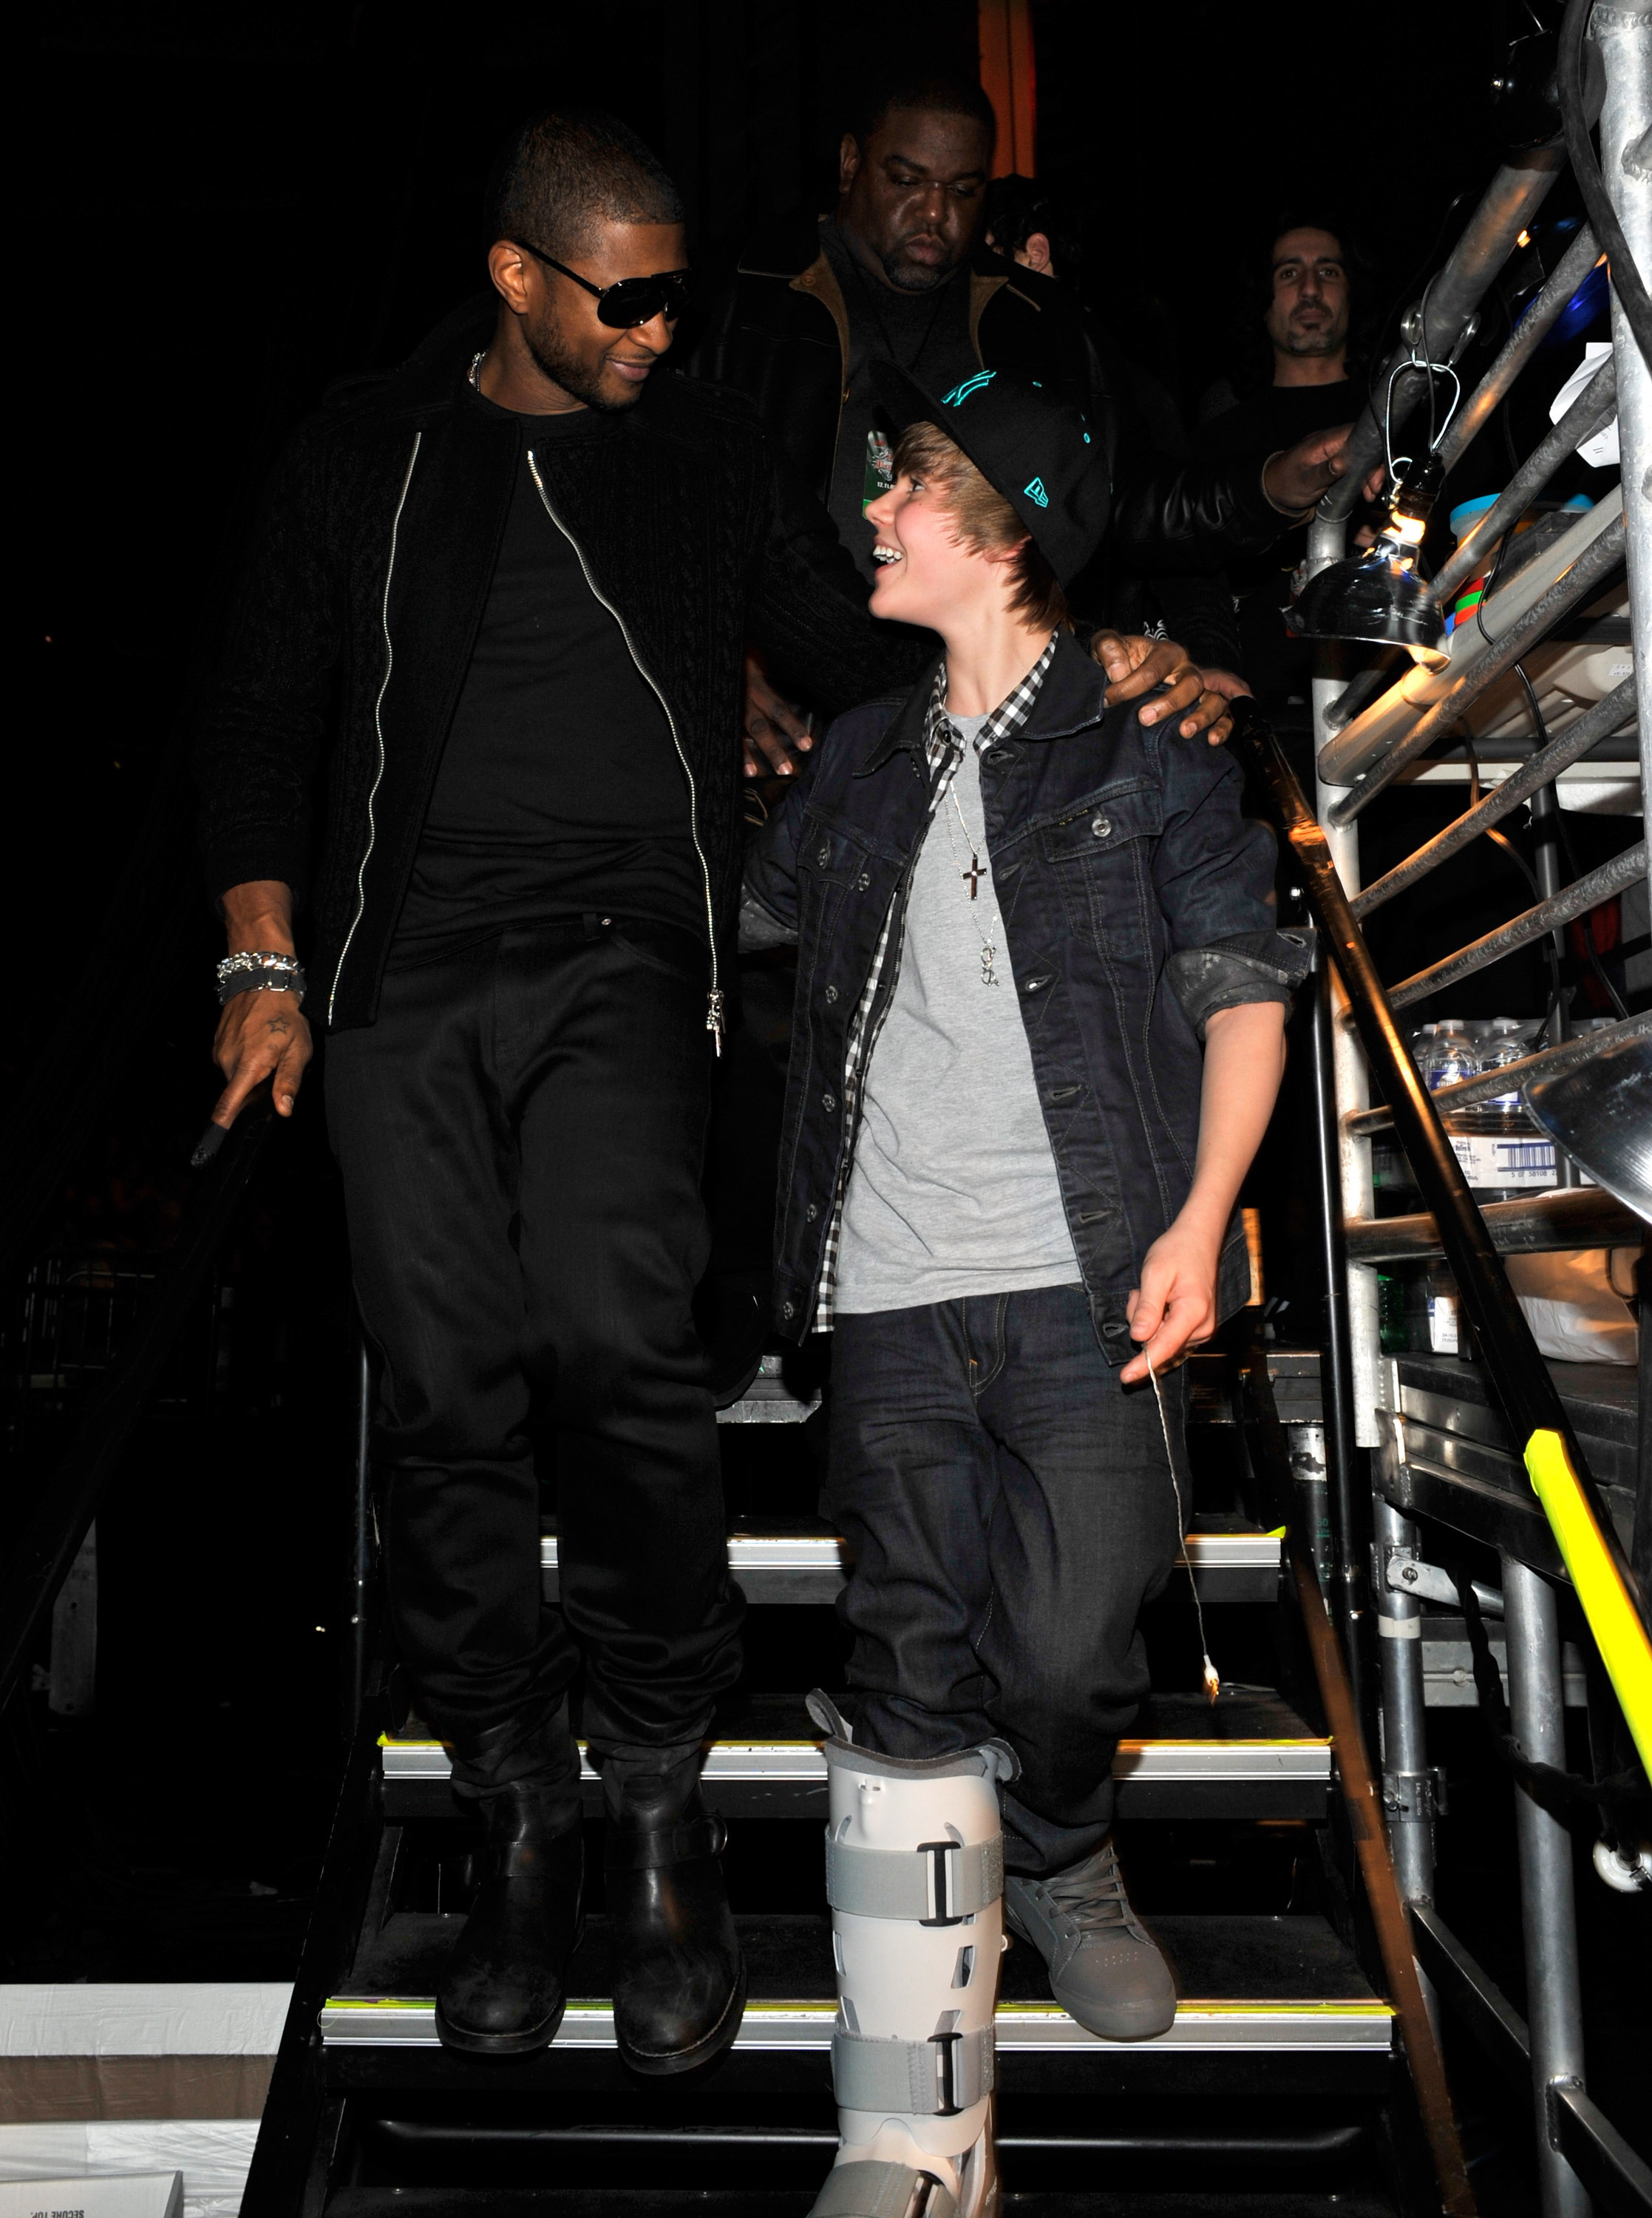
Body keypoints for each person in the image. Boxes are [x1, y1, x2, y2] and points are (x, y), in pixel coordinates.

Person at [192, 108, 1228, 2072]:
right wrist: (260, 961)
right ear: (517, 279)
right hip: (398, 976)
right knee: (439, 1385)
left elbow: (884, 630)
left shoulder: (695, 459)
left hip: (625, 960)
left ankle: (655, 1792)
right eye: (632, 297)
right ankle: (513, 1800)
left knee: (613, 1344)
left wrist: (1121, 663)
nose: (670, 329)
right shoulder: (360, 459)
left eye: (680, 290)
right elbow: (255, 726)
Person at [743, 364, 1302, 2217]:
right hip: (890, 1289)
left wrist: (1203, 1214)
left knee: (1067, 1652)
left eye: (906, 485)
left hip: (1081, 1277)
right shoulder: (849, 756)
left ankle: (1063, 1847)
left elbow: (1241, 986)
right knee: (903, 1676)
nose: (874, 511)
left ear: (1003, 523)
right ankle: (906, 2136)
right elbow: (741, 928)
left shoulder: (1150, 740)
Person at [690, 69, 1362, 767]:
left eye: (961, 190)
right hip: (786, 727)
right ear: (852, 163)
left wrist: (1270, 486)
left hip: (988, 719)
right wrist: (714, 655)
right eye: (906, 181)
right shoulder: (740, 296)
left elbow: (1120, 498)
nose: (932, 214)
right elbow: (661, 499)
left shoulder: (1042, 325)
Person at [1195, 218, 1365, 705]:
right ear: (1262, 301)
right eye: (1289, 274)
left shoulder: (1400, 414)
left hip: (1398, 700)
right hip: (1265, 707)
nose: (1311, 289)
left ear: (1352, 293)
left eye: (1328, 272)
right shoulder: (1218, 439)